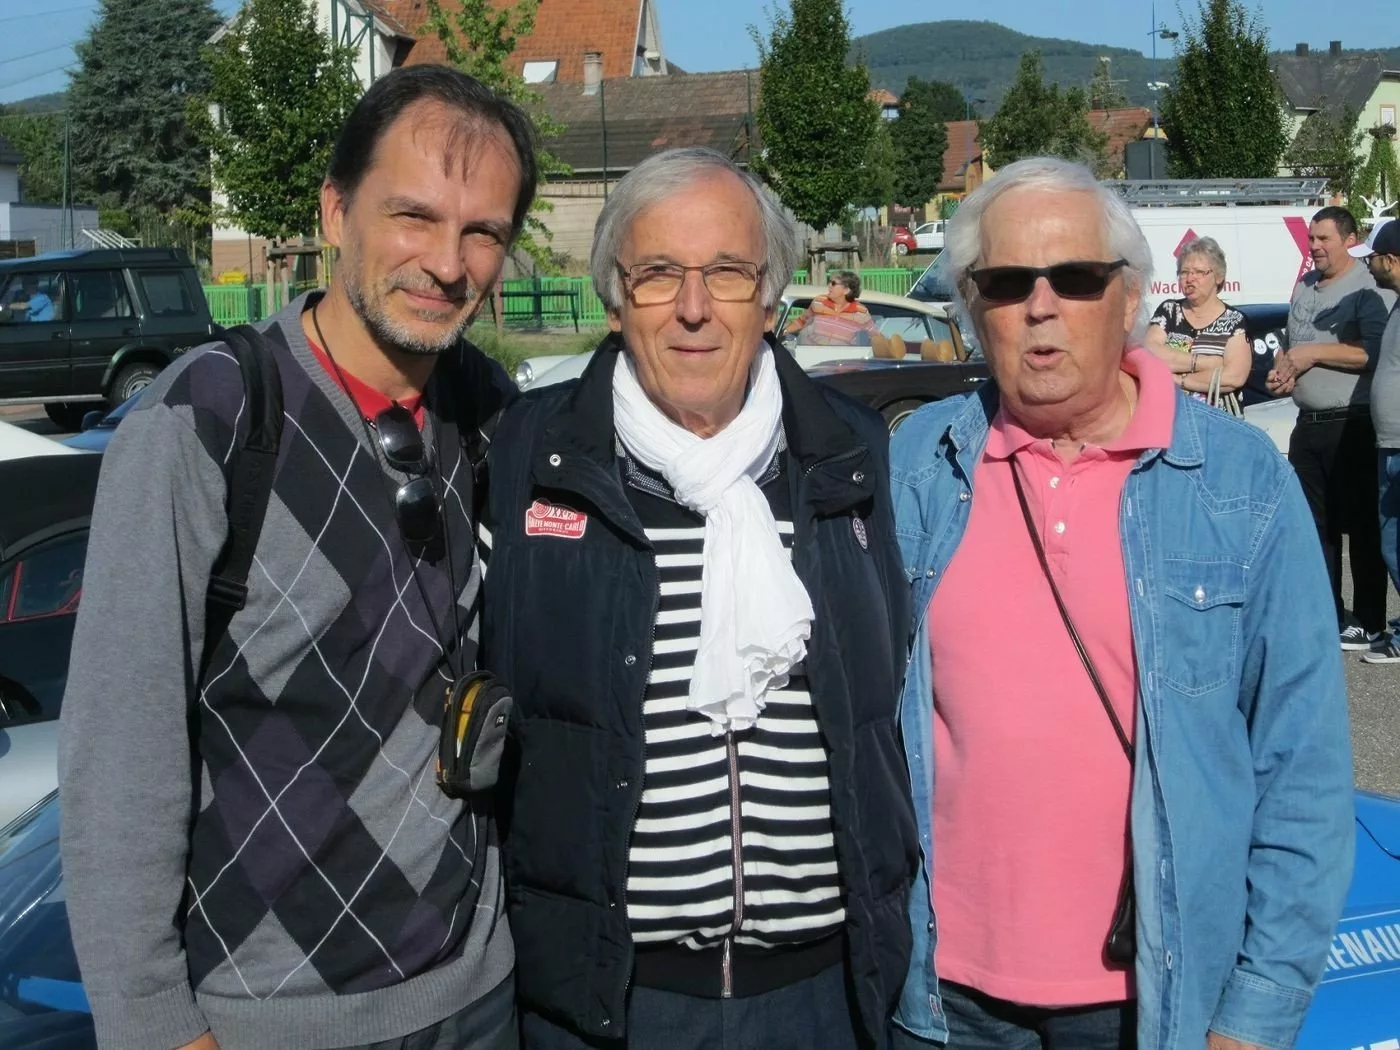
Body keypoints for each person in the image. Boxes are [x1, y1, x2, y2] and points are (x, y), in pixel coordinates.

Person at [58, 66, 534, 1050]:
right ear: (335, 210)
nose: (448, 263)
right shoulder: (210, 420)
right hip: (266, 1019)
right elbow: (119, 757)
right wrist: (154, 1027)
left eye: (482, 231)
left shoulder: (489, 412)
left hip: (478, 997)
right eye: (413, 216)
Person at [888, 157, 1353, 1050]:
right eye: (1007, 282)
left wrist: (1258, 1009)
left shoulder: (1241, 482)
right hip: (942, 998)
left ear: (1130, 295)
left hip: (1153, 998)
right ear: (974, 307)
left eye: (1074, 277)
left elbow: (1303, 767)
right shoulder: (919, 467)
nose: (1041, 306)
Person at [482, 146, 918, 1049]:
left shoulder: (852, 459)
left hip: (824, 997)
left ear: (770, 297)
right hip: (608, 1003)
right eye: (657, 274)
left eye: (726, 272)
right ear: (614, 299)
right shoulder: (528, 460)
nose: (692, 307)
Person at [1268, 206, 1396, 651]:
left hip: (1351, 422)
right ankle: (1325, 612)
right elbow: (1292, 345)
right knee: (1313, 528)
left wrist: (1314, 354)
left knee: (1360, 528)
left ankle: (1369, 620)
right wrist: (1284, 369)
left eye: (1324, 239)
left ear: (1349, 240)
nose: (1315, 247)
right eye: (1311, 239)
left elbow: (1374, 353)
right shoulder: (1304, 286)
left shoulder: (1367, 285)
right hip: (1307, 424)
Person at [1353, 219, 1400, 664]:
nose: (1369, 266)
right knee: (1392, 543)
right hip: (1390, 443)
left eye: (1373, 259)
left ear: (1392, 260)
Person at [1143, 235, 1249, 408]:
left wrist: (1177, 379)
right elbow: (1150, 353)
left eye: (1199, 272)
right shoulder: (1169, 311)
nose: (1190, 279)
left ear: (1219, 277)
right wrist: (1207, 363)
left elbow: (1233, 377)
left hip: (1215, 420)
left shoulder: (1235, 321)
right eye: (1184, 272)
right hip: (1170, 416)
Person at [782, 270, 877, 345]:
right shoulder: (819, 301)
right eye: (829, 282)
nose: (829, 286)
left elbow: (875, 337)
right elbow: (801, 322)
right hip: (810, 354)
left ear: (846, 290)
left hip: (841, 360)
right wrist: (782, 333)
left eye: (833, 283)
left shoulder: (861, 312)